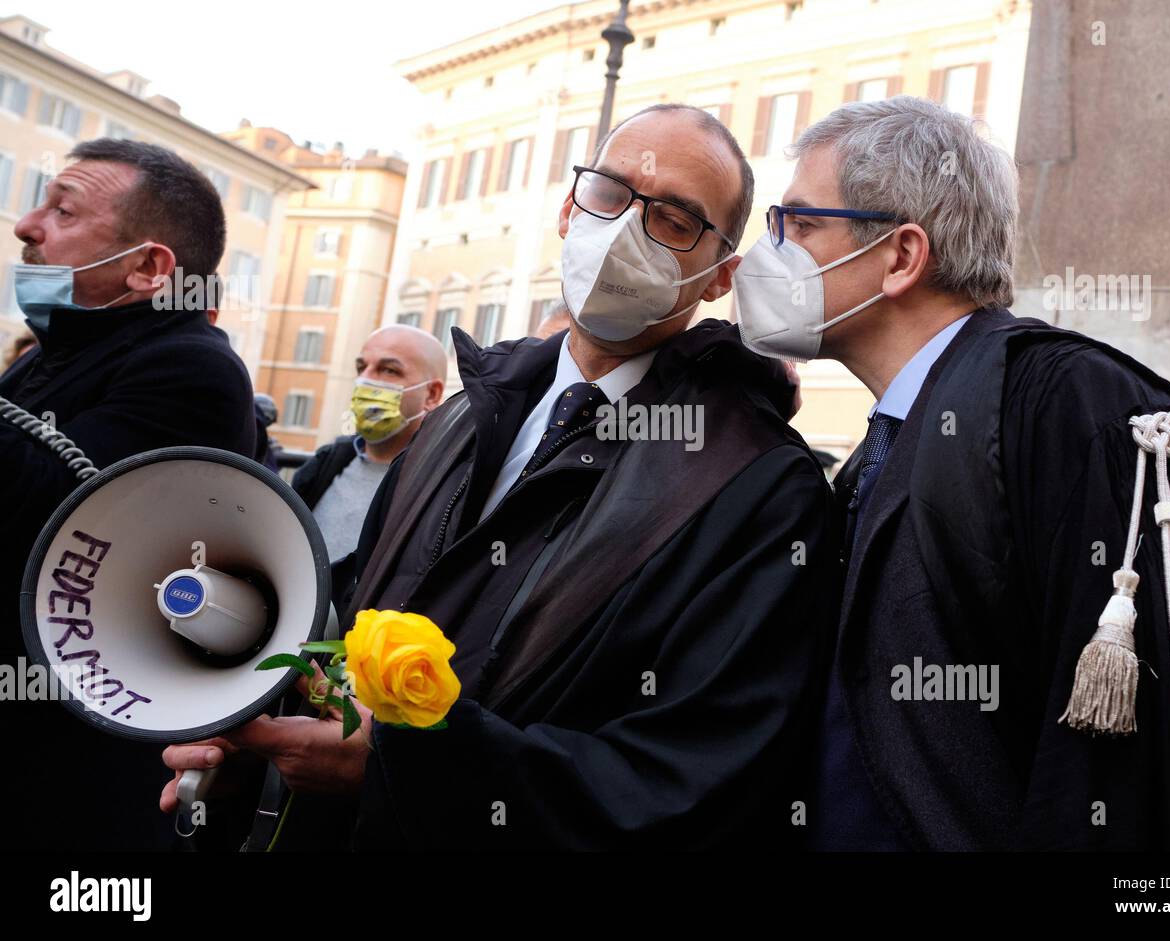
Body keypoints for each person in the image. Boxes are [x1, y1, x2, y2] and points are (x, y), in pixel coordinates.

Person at [160, 103, 836, 851]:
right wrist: (255, 752)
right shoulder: (454, 420)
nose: (622, 233)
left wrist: (403, 767)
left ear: (719, 278)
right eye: (608, 195)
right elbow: (349, 646)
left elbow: (700, 782)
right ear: (567, 209)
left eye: (673, 219)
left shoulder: (760, 486)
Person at [730, 96, 1170, 850]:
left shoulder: (1069, 407)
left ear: (901, 256)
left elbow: (1131, 774)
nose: (765, 254)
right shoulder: (888, 440)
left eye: (799, 224)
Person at [1, 137, 256, 851]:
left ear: (148, 267)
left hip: (71, 780)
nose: (27, 225)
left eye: (63, 209)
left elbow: (52, 517)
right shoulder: (44, 365)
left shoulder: (190, 368)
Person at [291, 324, 446, 561]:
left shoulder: (443, 484)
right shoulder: (326, 463)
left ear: (432, 394)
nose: (364, 380)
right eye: (361, 367)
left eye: (389, 370)